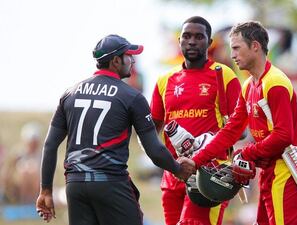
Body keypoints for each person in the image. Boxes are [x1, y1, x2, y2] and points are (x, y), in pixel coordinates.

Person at [35, 34, 195, 225]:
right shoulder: (132, 97)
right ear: (116, 61)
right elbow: (154, 149)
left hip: (75, 185)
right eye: (129, 56)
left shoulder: (70, 94)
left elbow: (50, 145)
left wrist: (45, 190)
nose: (132, 61)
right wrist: (178, 168)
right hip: (110, 184)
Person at [189, 21, 297, 225]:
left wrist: (247, 153)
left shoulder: (275, 83)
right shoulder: (248, 86)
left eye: (237, 48)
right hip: (268, 172)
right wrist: (197, 160)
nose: (232, 55)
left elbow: (284, 136)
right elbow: (231, 130)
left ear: (255, 46)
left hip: (287, 171)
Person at [150, 16, 241, 225]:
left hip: (207, 176)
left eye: (199, 37)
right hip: (173, 174)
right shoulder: (165, 80)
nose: (192, 41)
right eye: (187, 36)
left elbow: (240, 129)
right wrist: (161, 159)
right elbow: (150, 129)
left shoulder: (224, 75)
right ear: (180, 40)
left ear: (209, 43)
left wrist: (207, 143)